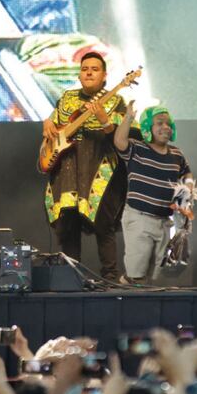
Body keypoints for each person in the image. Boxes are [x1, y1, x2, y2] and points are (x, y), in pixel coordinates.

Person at [41, 52, 129, 281]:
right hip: (68, 166)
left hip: (99, 166)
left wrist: (104, 121)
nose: (89, 72)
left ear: (105, 76)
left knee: (104, 223)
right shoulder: (67, 97)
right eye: (84, 68)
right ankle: (71, 279)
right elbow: (55, 124)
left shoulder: (115, 101)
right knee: (68, 222)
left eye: (95, 69)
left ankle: (110, 279)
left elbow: (124, 138)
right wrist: (48, 123)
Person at [113, 104, 193, 283]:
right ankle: (129, 284)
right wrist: (128, 118)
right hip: (139, 217)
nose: (166, 127)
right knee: (137, 270)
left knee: (160, 274)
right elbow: (119, 141)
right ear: (148, 127)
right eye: (159, 123)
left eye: (168, 124)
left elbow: (187, 173)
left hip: (164, 221)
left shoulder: (176, 154)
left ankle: (139, 289)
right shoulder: (137, 149)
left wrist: (187, 188)